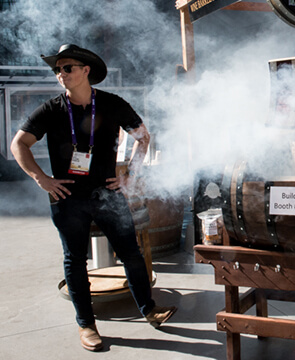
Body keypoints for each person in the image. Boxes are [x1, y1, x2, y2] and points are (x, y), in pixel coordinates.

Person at [10, 44, 177, 351]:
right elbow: (18, 144)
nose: (61, 74)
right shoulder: (51, 109)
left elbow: (143, 136)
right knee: (75, 260)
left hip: (107, 194)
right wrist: (41, 179)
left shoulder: (112, 104)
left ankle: (149, 309)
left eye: (67, 68)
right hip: (67, 196)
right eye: (58, 70)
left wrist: (131, 175)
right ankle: (86, 324)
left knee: (131, 253)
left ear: (85, 70)